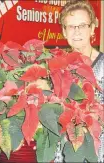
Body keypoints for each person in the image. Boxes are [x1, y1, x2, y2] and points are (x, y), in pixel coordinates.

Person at [58, 0, 104, 162]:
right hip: (65, 154)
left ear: (92, 28)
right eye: (71, 26)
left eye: (82, 25)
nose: (76, 32)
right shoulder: (58, 68)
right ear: (64, 31)